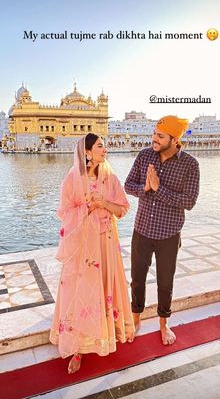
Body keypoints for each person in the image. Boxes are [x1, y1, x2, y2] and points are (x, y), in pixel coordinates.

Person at [50, 133, 135, 374]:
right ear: (87, 152)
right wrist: (88, 206)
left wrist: (103, 203)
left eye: (104, 145)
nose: (105, 149)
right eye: (100, 146)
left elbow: (123, 209)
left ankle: (107, 334)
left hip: (106, 244)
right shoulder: (72, 179)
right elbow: (64, 212)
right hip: (83, 248)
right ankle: (78, 346)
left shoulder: (110, 177)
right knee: (81, 291)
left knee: (105, 287)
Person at [124, 115, 200, 345]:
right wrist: (146, 187)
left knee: (165, 281)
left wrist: (159, 189)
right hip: (143, 229)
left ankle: (163, 324)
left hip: (169, 233)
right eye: (154, 133)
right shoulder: (144, 155)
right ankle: (136, 318)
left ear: (175, 139)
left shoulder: (190, 164)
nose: (154, 139)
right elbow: (128, 186)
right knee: (137, 278)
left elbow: (189, 201)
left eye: (160, 136)